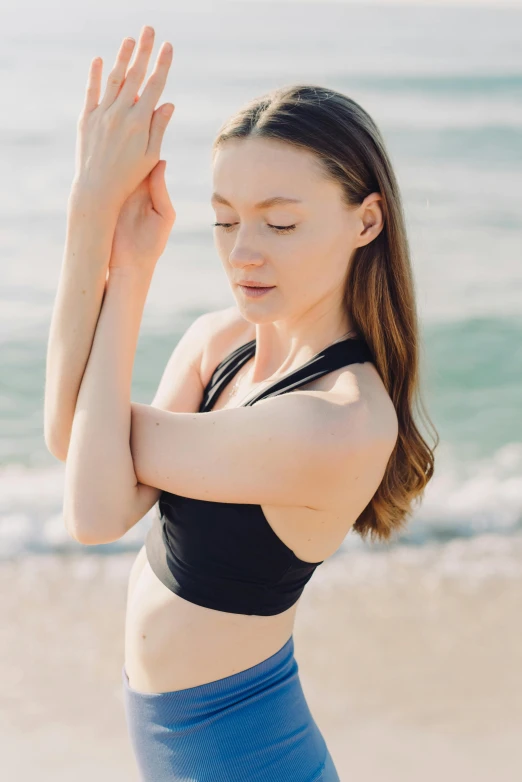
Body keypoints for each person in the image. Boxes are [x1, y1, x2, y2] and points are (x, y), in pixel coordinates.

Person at [44, 25, 438, 782]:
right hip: (178, 747)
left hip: (246, 759)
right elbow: (77, 441)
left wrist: (113, 248)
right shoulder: (219, 340)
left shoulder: (341, 420)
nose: (243, 252)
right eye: (224, 221)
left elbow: (93, 513)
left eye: (280, 222)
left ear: (367, 220)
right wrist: (104, 232)